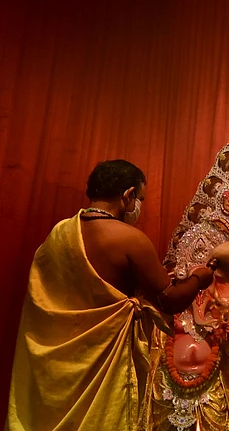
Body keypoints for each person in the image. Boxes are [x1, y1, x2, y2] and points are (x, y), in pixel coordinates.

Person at [7, 159, 215, 431]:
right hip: (101, 369)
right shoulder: (129, 239)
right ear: (128, 195)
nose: (138, 206)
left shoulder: (57, 235)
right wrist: (202, 276)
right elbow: (170, 299)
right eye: (139, 198)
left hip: (55, 368)